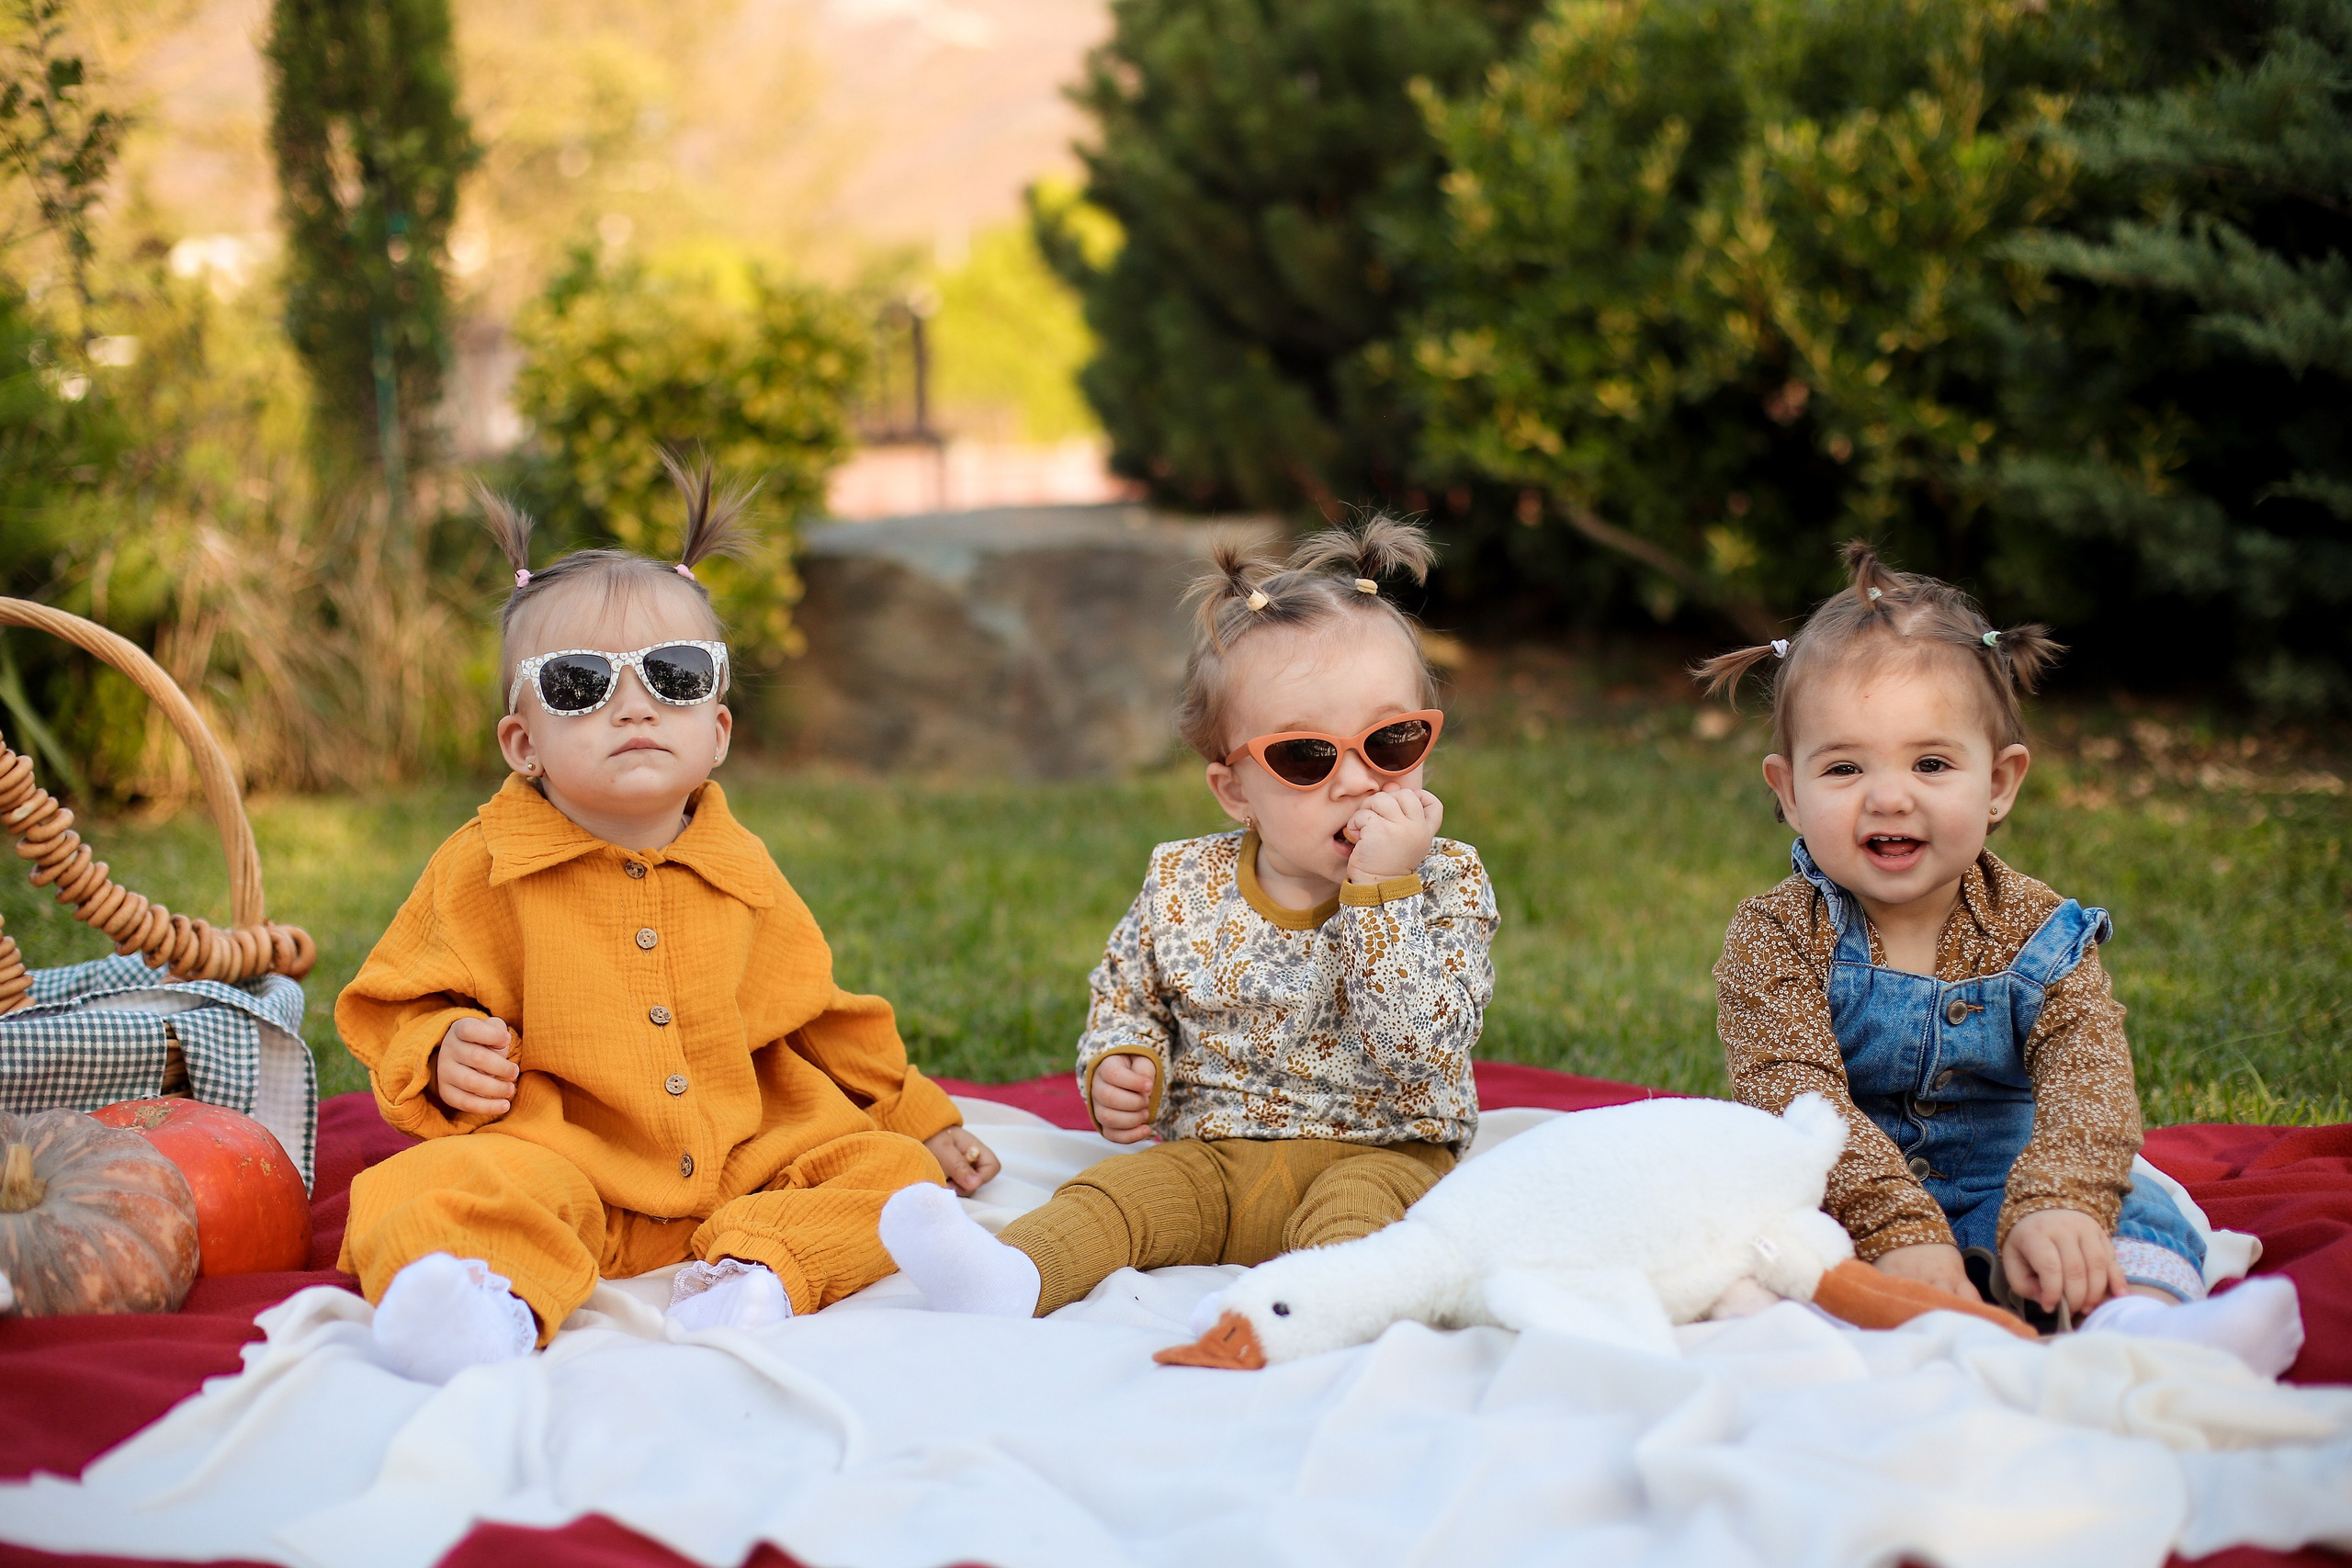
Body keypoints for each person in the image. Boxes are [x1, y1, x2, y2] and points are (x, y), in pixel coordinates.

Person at [338, 455, 999, 1382]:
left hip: (744, 1160)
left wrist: (920, 1118)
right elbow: (394, 1001)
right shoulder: (483, 866)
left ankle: (758, 1273)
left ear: (717, 730)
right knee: (422, 1187)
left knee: (889, 1177)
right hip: (563, 1162)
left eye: (674, 675)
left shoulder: (741, 868)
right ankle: (482, 1306)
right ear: (523, 742)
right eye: (578, 683)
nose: (634, 703)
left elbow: (820, 1015)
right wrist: (442, 1049)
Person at [1700, 542, 2301, 1373]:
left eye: (1932, 762)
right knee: (1756, 1240)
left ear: (2000, 782)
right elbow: (1796, 1101)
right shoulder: (1775, 937)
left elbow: (2089, 1081)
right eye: (1844, 767)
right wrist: (1896, 1230)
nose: (1889, 794)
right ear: (1789, 792)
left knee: (2145, 1210)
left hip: (2012, 1177)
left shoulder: (2039, 931)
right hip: (1844, 1185)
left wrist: (2059, 1203)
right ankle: (1866, 1333)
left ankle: (2140, 1332)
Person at [877, 518, 1498, 1318]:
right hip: (1212, 1157)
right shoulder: (1184, 882)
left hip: (1381, 1151)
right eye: (1306, 756)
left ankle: (1311, 1319)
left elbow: (1420, 1051)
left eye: (1391, 740)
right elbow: (1126, 993)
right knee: (1114, 1197)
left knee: (1362, 1232)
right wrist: (1119, 1062)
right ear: (1235, 789)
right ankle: (1010, 1275)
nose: (1356, 781)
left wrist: (1383, 888)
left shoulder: (1445, 881)